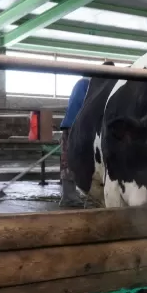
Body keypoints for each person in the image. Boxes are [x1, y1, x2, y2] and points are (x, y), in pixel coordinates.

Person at [58, 77, 90, 207]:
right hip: (76, 125)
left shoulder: (82, 83)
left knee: (67, 160)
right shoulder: (87, 84)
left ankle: (69, 195)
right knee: (70, 161)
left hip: (70, 124)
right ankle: (69, 197)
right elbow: (85, 106)